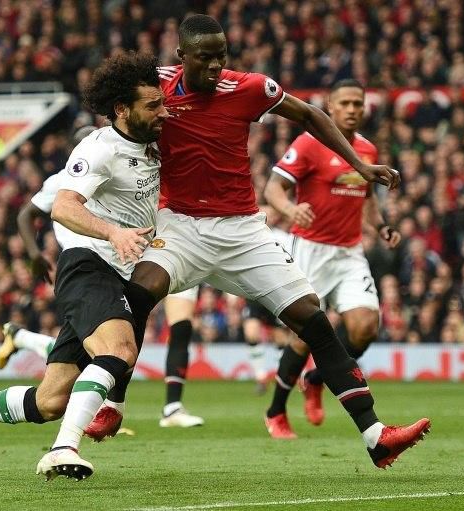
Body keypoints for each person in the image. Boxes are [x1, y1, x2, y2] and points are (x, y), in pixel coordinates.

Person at [130, 14, 430, 469]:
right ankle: (107, 405)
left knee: (315, 323)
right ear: (182, 56)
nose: (215, 66)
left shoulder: (250, 88)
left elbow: (310, 115)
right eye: (205, 58)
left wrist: (362, 167)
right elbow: (115, 107)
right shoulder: (155, 86)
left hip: (243, 230)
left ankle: (375, 435)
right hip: (181, 225)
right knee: (134, 296)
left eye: (221, 56)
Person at [0, 52, 169, 480]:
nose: (163, 112)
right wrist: (112, 233)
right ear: (122, 110)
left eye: (163, 102)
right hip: (88, 266)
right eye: (153, 105)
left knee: (50, 401)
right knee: (118, 351)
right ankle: (62, 448)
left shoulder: (151, 144)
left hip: (121, 272)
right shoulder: (98, 149)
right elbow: (62, 208)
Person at [0, 126, 203, 429]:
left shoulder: (127, 166)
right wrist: (33, 254)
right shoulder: (63, 182)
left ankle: (20, 343)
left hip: (133, 261)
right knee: (107, 347)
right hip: (85, 267)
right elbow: (26, 215)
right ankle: (98, 416)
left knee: (96, 348)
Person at [262, 79, 402, 438]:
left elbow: (367, 198)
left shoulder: (367, 151)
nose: (354, 109)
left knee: (365, 326)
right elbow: (272, 189)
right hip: (311, 250)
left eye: (359, 103)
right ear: (330, 106)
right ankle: (276, 411)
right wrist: (292, 211)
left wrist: (382, 226)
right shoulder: (309, 143)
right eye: (346, 103)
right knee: (303, 337)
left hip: (350, 251)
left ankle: (315, 378)